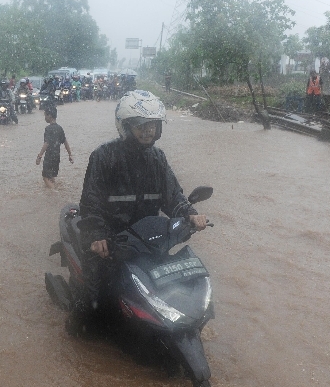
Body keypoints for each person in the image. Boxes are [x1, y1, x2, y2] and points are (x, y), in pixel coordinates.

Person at [68, 90, 207, 334]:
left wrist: (190, 214)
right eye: (141, 125)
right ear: (126, 126)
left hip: (148, 239)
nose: (148, 131)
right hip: (111, 241)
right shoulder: (104, 157)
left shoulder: (157, 158)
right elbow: (91, 202)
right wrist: (98, 236)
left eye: (152, 125)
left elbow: (173, 196)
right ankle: (78, 326)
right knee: (94, 303)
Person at [36, 103, 73, 189]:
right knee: (51, 176)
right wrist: (70, 154)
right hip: (57, 156)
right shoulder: (59, 128)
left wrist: (39, 156)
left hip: (49, 157)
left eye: (45, 115)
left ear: (50, 116)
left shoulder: (48, 129)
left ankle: (54, 193)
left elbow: (46, 143)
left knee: (45, 177)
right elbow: (65, 142)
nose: (45, 117)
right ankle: (54, 191)